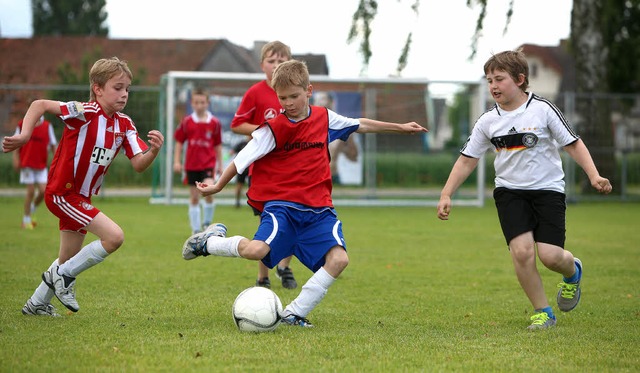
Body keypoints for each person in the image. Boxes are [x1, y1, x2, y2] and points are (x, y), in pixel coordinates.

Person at [181, 59, 428, 327]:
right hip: (283, 207)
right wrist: (218, 185)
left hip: (319, 211)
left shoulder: (325, 118)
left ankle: (293, 313)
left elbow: (360, 124)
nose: (288, 103)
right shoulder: (275, 128)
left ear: (308, 91)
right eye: (282, 97)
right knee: (256, 250)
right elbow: (244, 157)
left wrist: (401, 127)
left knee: (339, 259)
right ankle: (208, 242)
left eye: (294, 96)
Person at [436, 50, 612, 330]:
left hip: (548, 191)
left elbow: (573, 143)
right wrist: (447, 194)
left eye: (499, 79)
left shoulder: (543, 109)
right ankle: (543, 312)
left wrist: (593, 175)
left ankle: (572, 271)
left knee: (551, 256)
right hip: (510, 193)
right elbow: (467, 160)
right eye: (489, 80)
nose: (493, 85)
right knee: (521, 252)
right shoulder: (487, 121)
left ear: (520, 80)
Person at [2, 57, 164, 316]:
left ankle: (36, 304)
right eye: (117, 87)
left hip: (81, 197)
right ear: (98, 88)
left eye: (127, 89)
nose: (124, 94)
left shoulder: (125, 125)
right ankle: (64, 278)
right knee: (114, 237)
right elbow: (40, 104)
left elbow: (138, 164)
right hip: (62, 193)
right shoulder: (84, 111)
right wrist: (24, 135)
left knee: (67, 260)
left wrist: (154, 152)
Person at [230, 40, 298, 290]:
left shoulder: (298, 93)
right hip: (264, 172)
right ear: (262, 65)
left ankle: (285, 267)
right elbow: (237, 123)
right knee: (267, 224)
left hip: (294, 170)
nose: (276, 65)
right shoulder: (255, 92)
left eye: (282, 61)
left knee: (294, 220)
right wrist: (265, 131)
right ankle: (263, 276)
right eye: (272, 61)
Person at [173, 88, 223, 234]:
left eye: (202, 102)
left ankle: (207, 224)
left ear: (208, 103)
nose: (199, 105)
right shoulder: (187, 122)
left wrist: (220, 165)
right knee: (194, 197)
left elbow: (218, 145)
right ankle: (196, 231)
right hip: (191, 165)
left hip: (208, 164)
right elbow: (179, 142)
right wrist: (177, 161)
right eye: (196, 102)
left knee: (208, 191)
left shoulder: (214, 123)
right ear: (192, 103)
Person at [12, 115, 57, 229]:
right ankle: (26, 220)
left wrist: (57, 160)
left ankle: (32, 208)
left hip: (41, 165)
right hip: (27, 163)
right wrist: (16, 158)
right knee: (31, 191)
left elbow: (53, 145)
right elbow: (16, 142)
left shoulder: (47, 126)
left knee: (44, 191)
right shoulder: (22, 124)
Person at [231, 138, 249, 208]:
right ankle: (237, 201)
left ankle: (253, 202)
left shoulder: (255, 142)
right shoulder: (242, 143)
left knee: (252, 186)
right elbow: (232, 152)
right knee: (239, 186)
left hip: (251, 168)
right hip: (242, 168)